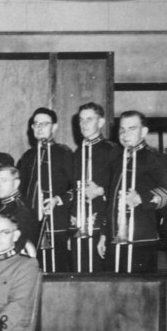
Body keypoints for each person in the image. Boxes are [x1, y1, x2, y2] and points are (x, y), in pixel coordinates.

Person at [97, 111, 167, 274]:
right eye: (122, 129)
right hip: (114, 237)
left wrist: (142, 198)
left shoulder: (153, 157)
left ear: (144, 132)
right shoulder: (117, 158)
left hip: (141, 239)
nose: (125, 134)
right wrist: (104, 234)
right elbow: (111, 201)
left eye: (132, 128)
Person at [17, 108, 74, 273]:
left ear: (54, 127)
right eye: (36, 124)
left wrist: (59, 199)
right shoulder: (27, 156)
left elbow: (76, 189)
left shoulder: (64, 153)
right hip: (30, 226)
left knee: (55, 274)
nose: (39, 127)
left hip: (56, 226)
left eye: (45, 124)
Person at [69, 103, 120, 273]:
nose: (84, 124)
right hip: (79, 224)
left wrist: (101, 191)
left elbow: (121, 187)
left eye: (89, 119)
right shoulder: (78, 152)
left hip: (102, 223)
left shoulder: (112, 150)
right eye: (81, 120)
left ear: (101, 122)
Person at [0, 165, 38, 257]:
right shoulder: (4, 207)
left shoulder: (20, 210)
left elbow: (15, 249)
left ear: (16, 183)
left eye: (4, 180)